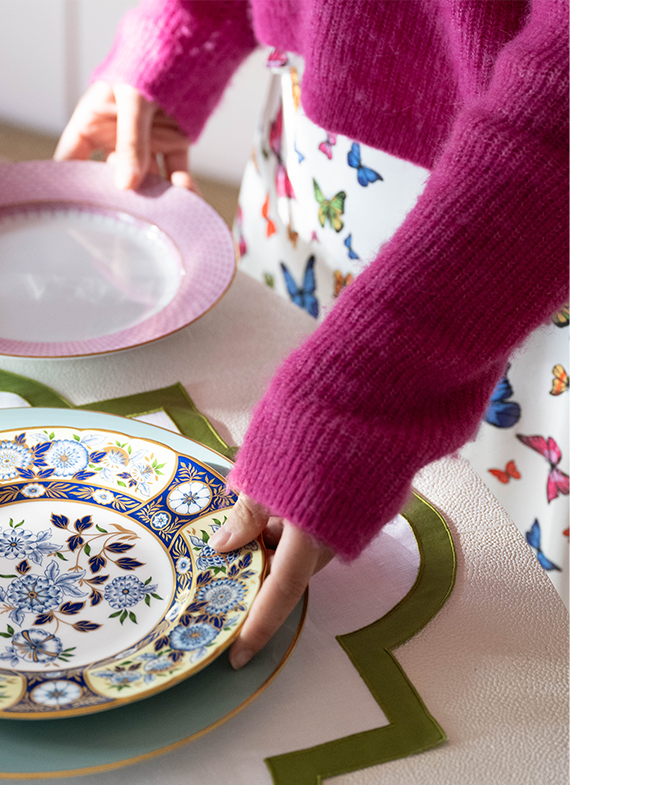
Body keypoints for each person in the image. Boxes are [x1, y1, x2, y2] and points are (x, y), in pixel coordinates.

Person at [54, 0, 570, 668]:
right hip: (306, 184)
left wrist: (357, 401)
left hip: (524, 261)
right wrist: (184, 24)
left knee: (513, 650)